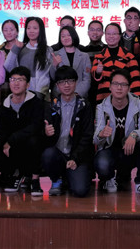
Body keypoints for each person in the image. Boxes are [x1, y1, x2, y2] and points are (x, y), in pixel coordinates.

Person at [93, 69, 140, 196]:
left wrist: (134, 135)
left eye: (123, 84)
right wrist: (101, 134)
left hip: (129, 151)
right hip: (110, 150)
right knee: (101, 164)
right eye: (115, 84)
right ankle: (110, 179)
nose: (119, 88)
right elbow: (95, 139)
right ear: (110, 87)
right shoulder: (101, 107)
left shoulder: (139, 104)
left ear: (129, 88)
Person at [0, 66, 44, 196]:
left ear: (28, 84)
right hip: (12, 149)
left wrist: (11, 140)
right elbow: (1, 131)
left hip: (30, 146)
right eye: (13, 79)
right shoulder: (3, 108)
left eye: (20, 79)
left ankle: (34, 179)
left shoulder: (36, 103)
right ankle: (16, 175)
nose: (16, 83)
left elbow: (35, 127)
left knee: (34, 142)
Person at [42, 66, 94, 197]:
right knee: (48, 154)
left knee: (80, 191)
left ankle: (69, 178)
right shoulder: (51, 105)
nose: (66, 85)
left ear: (76, 82)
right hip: (58, 154)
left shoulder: (84, 106)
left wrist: (75, 158)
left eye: (70, 81)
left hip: (77, 155)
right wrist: (46, 133)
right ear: (57, 86)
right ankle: (56, 179)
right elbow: (43, 138)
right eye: (62, 82)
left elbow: (87, 136)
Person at [91, 22, 140, 104]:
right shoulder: (99, 56)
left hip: (125, 100)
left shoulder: (129, 56)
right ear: (105, 35)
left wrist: (138, 102)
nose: (111, 36)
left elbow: (135, 79)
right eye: (108, 34)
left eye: (114, 34)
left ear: (120, 36)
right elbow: (94, 78)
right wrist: (98, 72)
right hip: (103, 99)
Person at [4, 16, 53, 101]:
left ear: (41, 30)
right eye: (28, 28)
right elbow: (8, 67)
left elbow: (46, 75)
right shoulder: (21, 48)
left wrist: (39, 94)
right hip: (20, 92)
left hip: (40, 94)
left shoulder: (47, 50)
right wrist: (15, 49)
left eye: (35, 28)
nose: (31, 31)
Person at [50, 26, 91, 99]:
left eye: (69, 35)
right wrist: (54, 65)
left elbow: (87, 79)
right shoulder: (55, 55)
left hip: (79, 95)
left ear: (74, 36)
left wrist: (76, 94)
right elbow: (53, 78)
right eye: (63, 36)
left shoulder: (84, 56)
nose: (66, 38)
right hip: (59, 95)